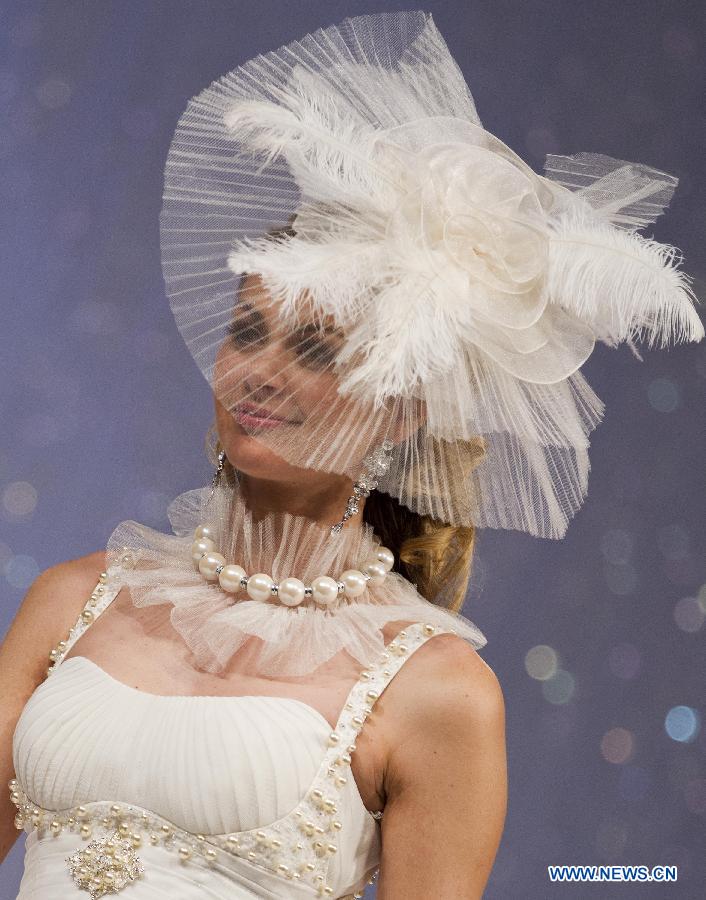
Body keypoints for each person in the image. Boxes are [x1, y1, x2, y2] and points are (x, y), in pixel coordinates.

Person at [0, 9, 702, 900]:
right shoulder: (75, 599)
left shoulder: (435, 692)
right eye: (247, 332)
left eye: (318, 351)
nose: (260, 372)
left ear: (403, 414)